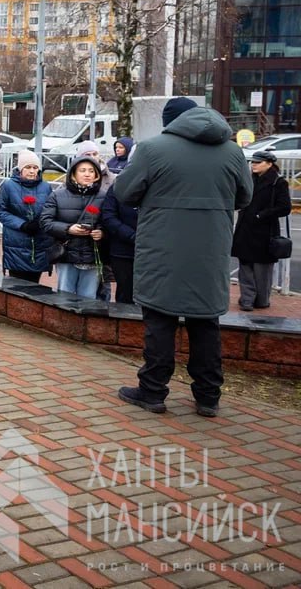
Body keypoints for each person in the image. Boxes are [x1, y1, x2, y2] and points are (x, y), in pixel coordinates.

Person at [113, 97, 252, 417]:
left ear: (170, 121)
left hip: (162, 249)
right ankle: (207, 397)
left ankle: (153, 391)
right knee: (206, 324)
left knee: (159, 321)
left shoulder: (152, 149)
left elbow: (125, 192)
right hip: (210, 252)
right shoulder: (232, 151)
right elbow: (244, 196)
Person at [231, 149, 291, 312]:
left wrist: (261, 215)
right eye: (253, 162)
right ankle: (247, 300)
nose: (254, 165)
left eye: (258, 162)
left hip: (265, 232)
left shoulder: (278, 183)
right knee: (245, 266)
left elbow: (285, 207)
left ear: (269, 164)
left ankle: (262, 300)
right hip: (245, 229)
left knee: (262, 269)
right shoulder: (249, 179)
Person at [40, 154, 107, 297]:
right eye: (82, 170)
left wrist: (101, 232)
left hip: (93, 256)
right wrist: (67, 229)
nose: (87, 174)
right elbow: (45, 222)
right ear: (73, 174)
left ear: (97, 176)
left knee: (88, 298)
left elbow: (110, 221)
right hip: (67, 255)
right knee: (64, 296)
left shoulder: (104, 196)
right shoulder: (57, 195)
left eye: (91, 171)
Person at [0, 150, 54, 283]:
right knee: (15, 285)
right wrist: (22, 224)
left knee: (34, 285)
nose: (32, 171)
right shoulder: (9, 186)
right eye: (28, 167)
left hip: (39, 243)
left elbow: (50, 209)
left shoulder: (46, 187)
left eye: (35, 167)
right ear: (20, 169)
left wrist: (40, 222)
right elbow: (0, 211)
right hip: (16, 242)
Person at [100, 188, 137, 304]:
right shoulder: (117, 188)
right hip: (122, 251)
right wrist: (132, 236)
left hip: (153, 249)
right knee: (125, 293)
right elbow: (108, 217)